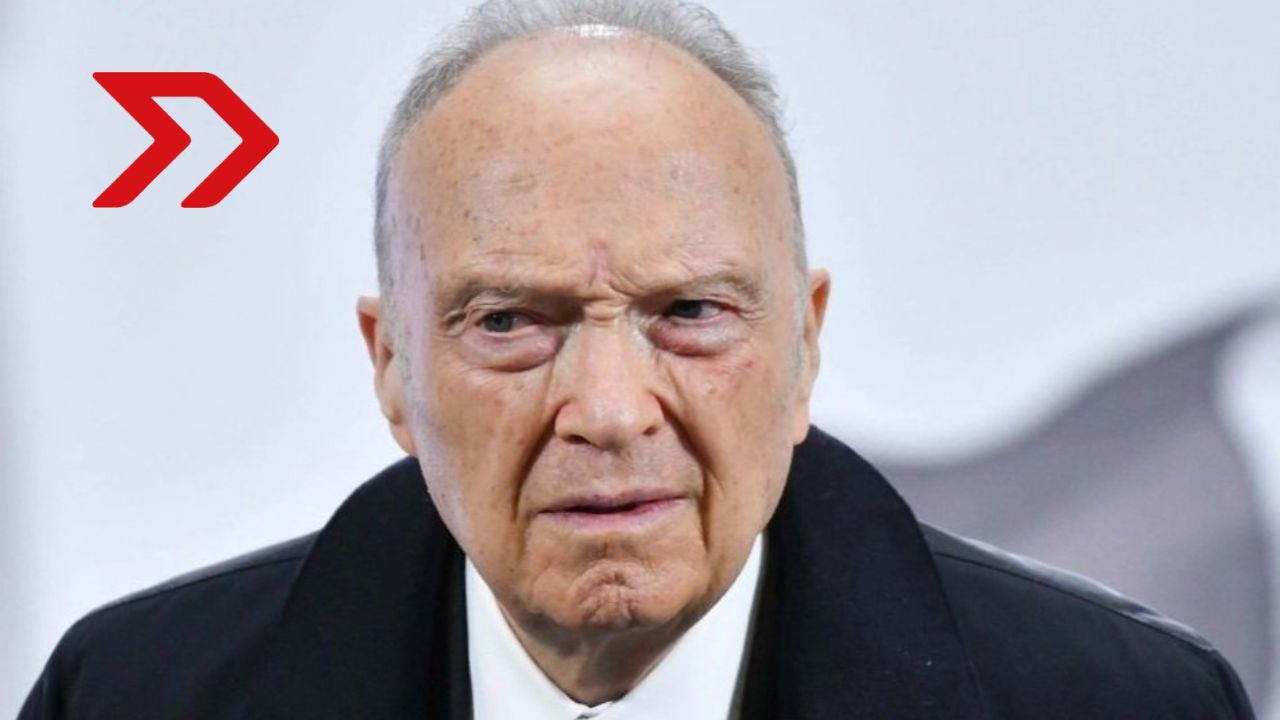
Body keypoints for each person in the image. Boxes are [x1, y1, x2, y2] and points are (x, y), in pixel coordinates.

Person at [18, 1, 1257, 718]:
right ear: (390, 366)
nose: (609, 410)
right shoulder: (131, 700)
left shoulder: (1119, 707)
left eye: (690, 312)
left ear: (806, 345)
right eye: (510, 322)